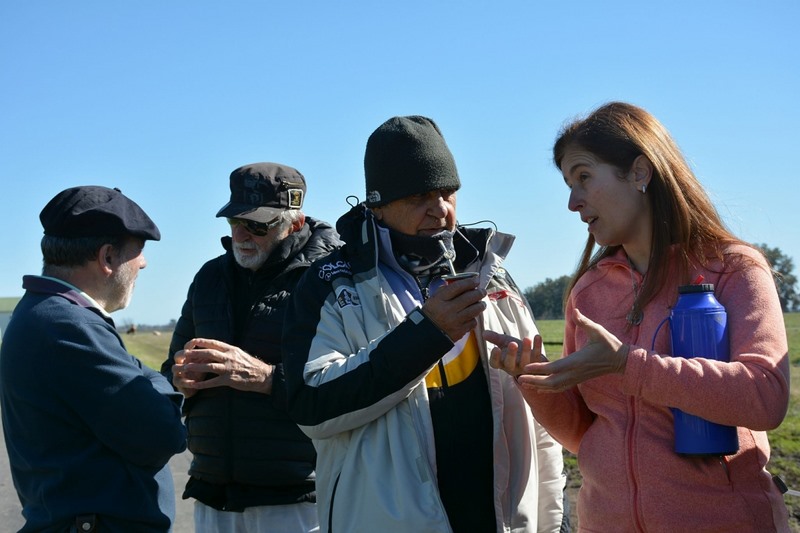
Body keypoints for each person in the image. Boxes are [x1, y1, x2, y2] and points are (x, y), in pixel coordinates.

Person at [486, 102, 791, 531]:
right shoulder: (587, 294)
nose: (573, 202)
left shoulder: (734, 269)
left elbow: (766, 397)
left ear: (640, 172)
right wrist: (536, 381)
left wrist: (628, 365)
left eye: (584, 177)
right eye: (569, 185)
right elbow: (585, 434)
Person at [282, 115, 566, 533]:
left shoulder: (493, 274)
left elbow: (538, 421)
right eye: (419, 195)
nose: (440, 209)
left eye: (448, 192)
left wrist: (556, 522)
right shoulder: (329, 282)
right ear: (375, 204)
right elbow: (311, 406)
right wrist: (428, 333)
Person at [161, 162, 342, 532]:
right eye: (234, 222)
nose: (242, 234)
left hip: (297, 501)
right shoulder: (209, 277)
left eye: (257, 225)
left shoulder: (331, 278)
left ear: (294, 222)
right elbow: (170, 371)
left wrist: (265, 378)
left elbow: (351, 383)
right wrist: (180, 379)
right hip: (213, 496)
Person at [0, 185, 187, 532]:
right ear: (107, 258)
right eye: (139, 251)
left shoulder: (44, 313)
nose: (143, 263)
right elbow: (163, 434)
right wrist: (163, 383)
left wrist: (146, 380)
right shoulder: (69, 326)